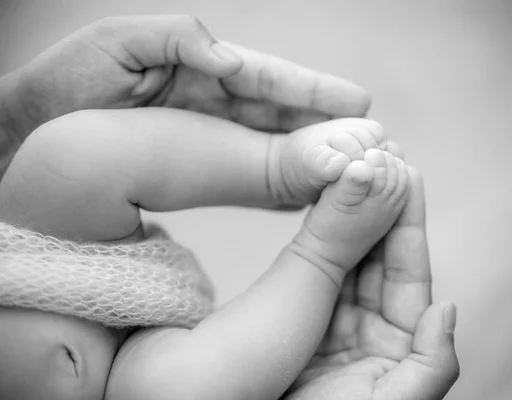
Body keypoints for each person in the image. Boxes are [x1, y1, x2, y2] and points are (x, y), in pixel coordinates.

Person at [0, 15, 459, 400]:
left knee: (71, 159)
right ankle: (321, 255)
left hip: (25, 255)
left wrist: (12, 119)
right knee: (175, 391)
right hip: (126, 382)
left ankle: (273, 165)